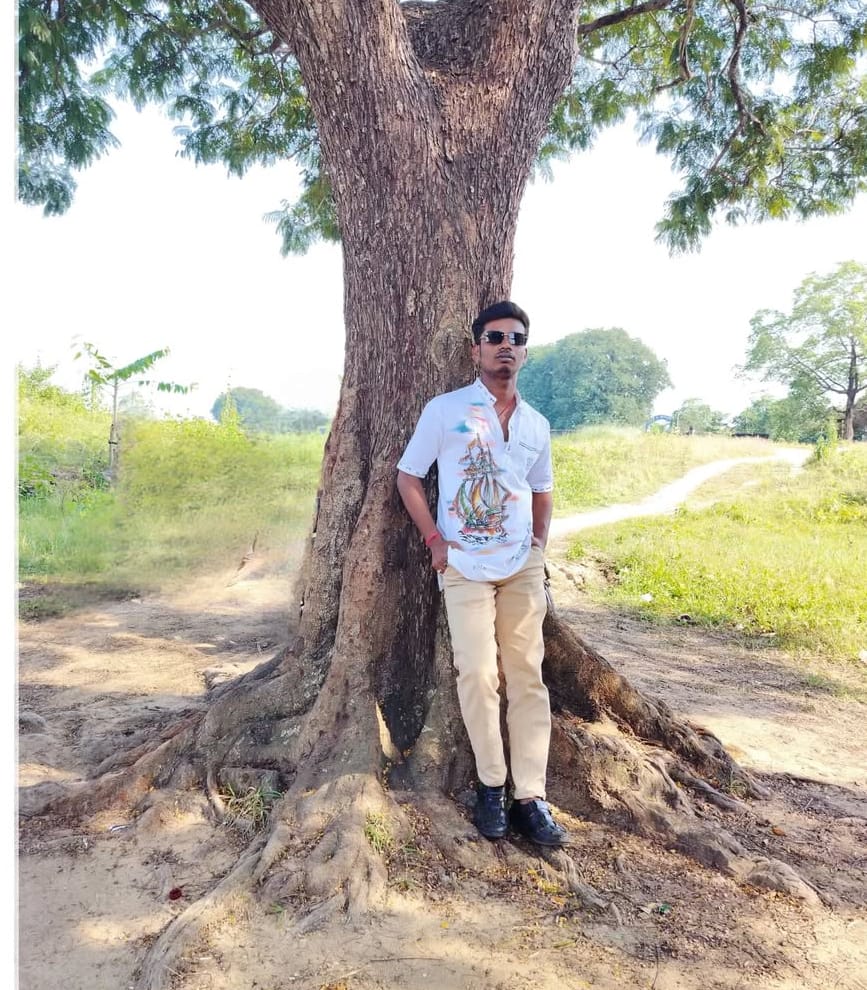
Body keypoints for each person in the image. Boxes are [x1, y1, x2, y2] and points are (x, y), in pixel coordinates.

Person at [396, 300, 568, 846]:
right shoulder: (446, 410)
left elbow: (542, 489)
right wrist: (434, 540)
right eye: (494, 338)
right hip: (464, 565)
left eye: (516, 339)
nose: (505, 347)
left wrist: (538, 546)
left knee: (527, 676)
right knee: (476, 673)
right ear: (476, 350)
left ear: (525, 353)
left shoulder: (536, 424)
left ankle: (531, 797)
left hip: (521, 566)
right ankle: (492, 786)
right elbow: (408, 476)